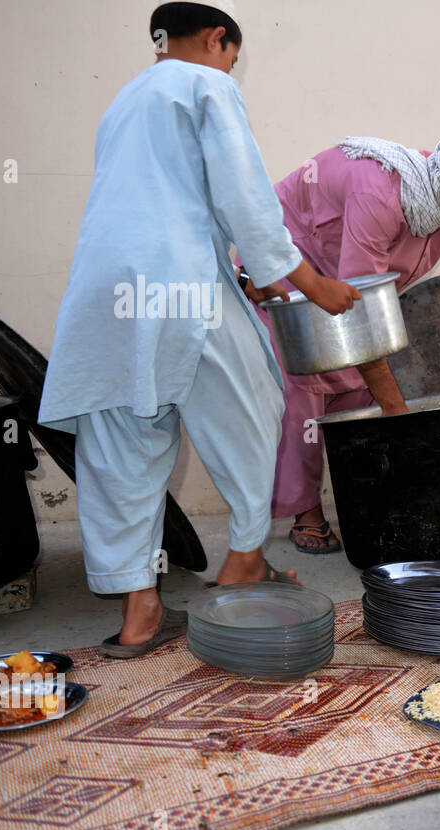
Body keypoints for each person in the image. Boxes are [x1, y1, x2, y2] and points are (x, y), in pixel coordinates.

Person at [38, 1, 359, 657]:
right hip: (179, 283)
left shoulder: (122, 103)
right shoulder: (207, 85)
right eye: (232, 57)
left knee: (123, 445)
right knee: (253, 403)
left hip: (104, 293)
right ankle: (243, 557)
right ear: (217, 40)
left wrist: (265, 276)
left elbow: (173, 195)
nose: (230, 69)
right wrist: (312, 284)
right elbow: (244, 195)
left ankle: (140, 609)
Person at [241, 135, 440, 554]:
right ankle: (305, 513)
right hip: (284, 271)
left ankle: (366, 505)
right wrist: (397, 409)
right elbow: (359, 314)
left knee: (358, 394)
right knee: (305, 395)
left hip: (344, 287)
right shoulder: (379, 193)